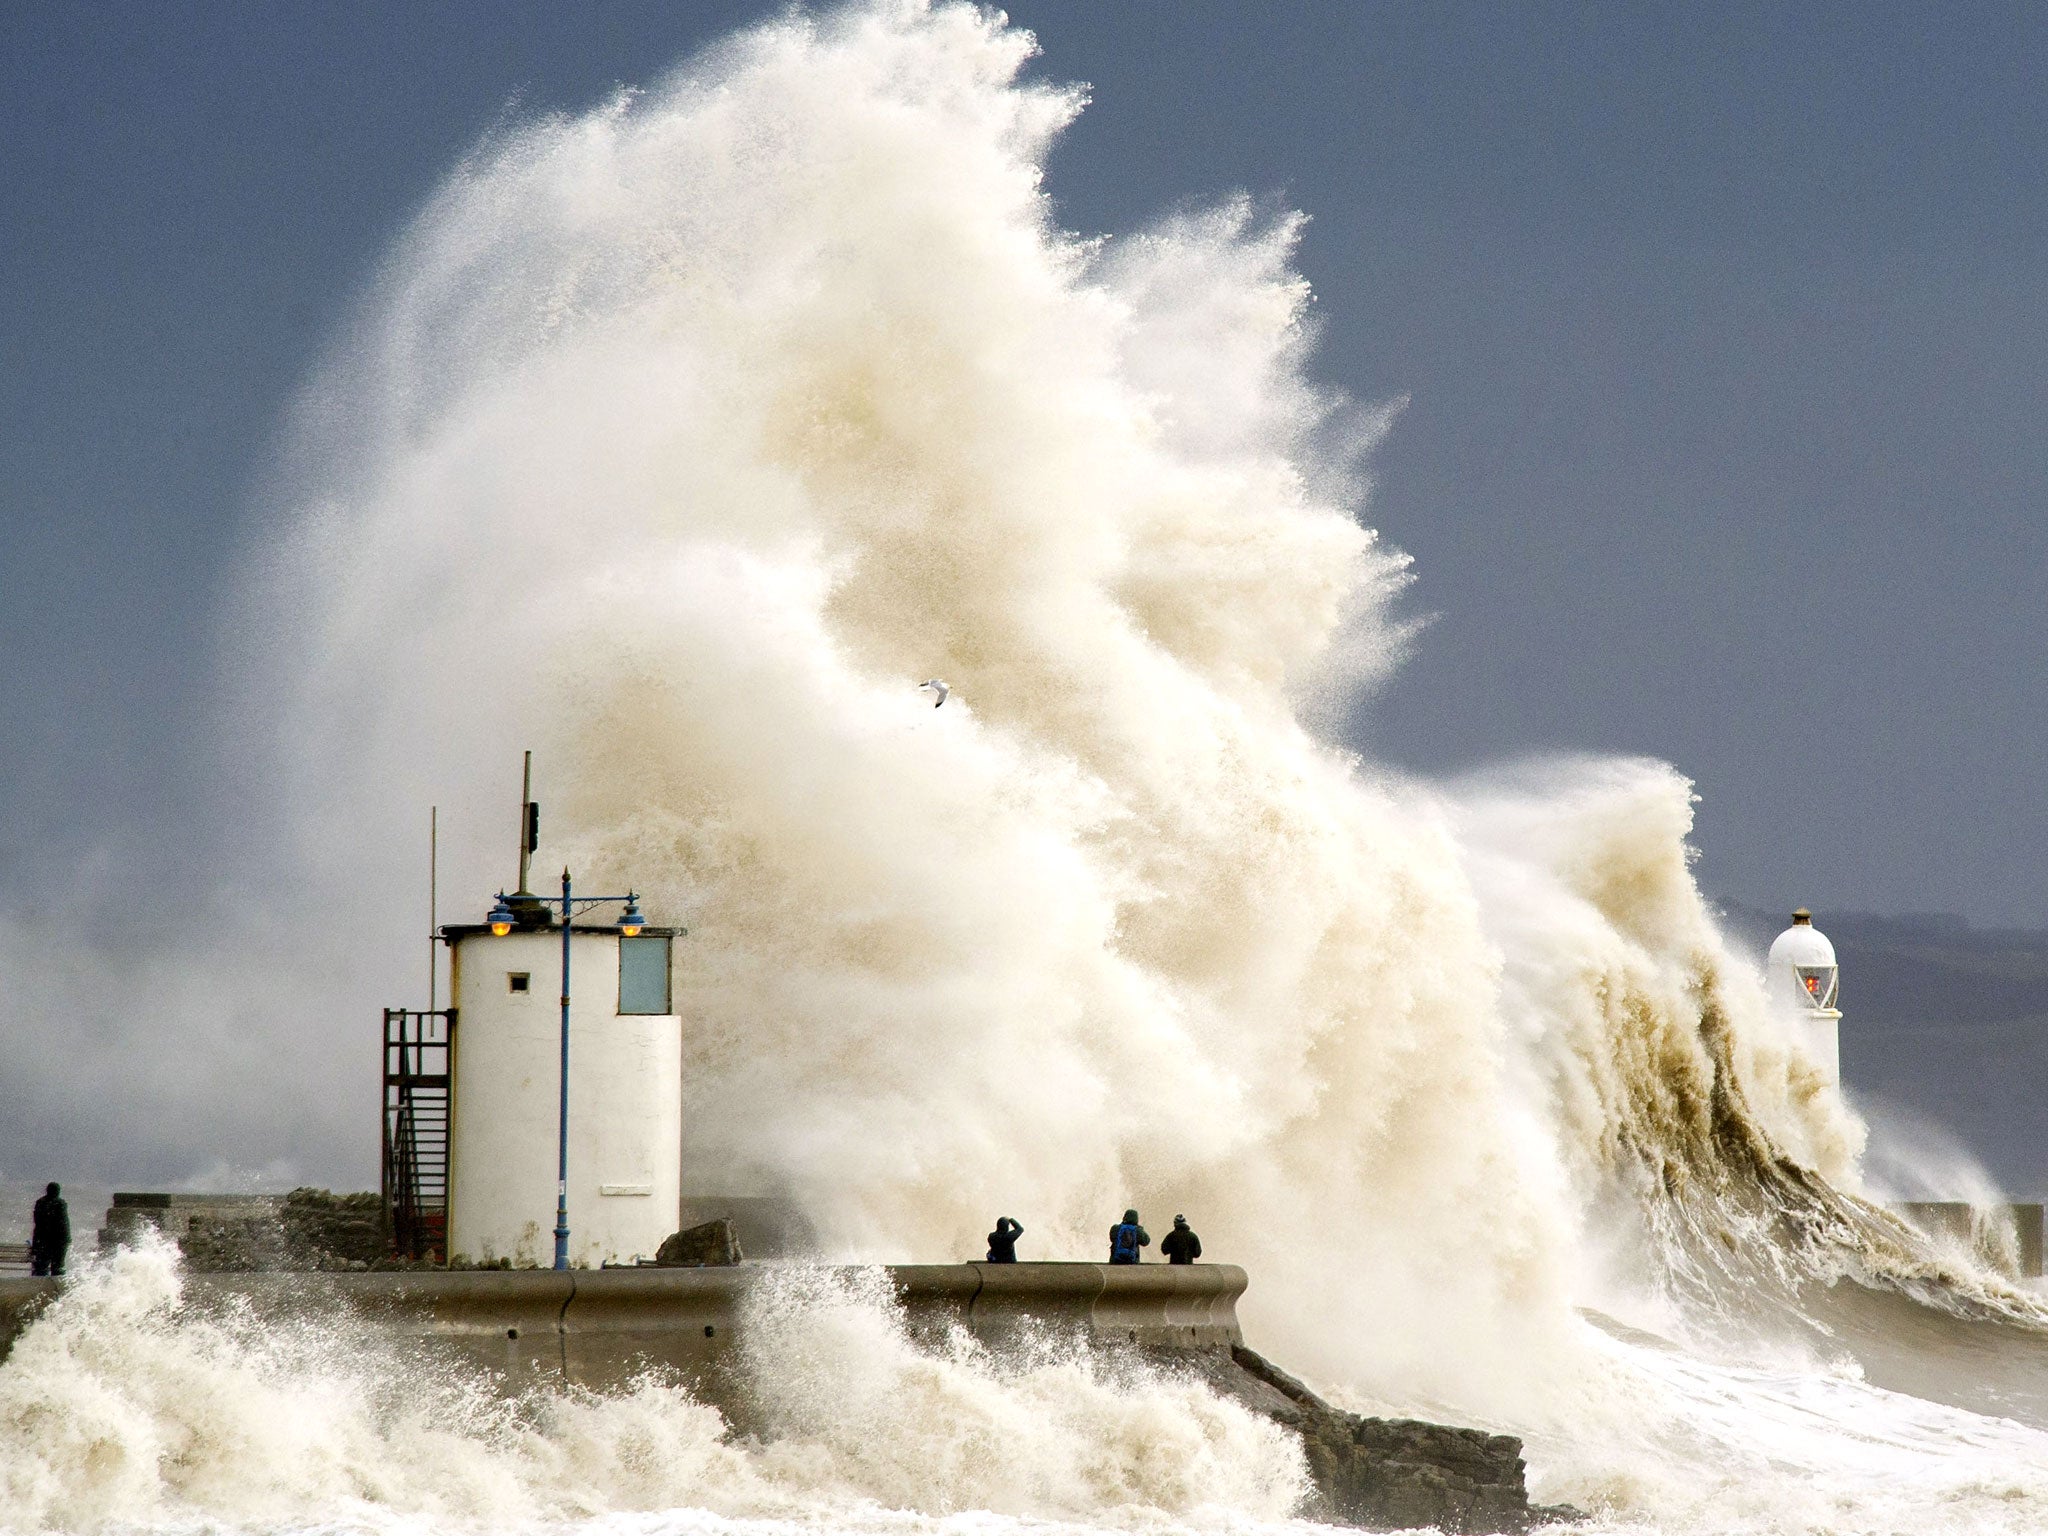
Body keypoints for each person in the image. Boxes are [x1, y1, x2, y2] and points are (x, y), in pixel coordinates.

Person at [30, 1182, 69, 1277]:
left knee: (41, 1267)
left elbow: (37, 1221)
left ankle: (38, 1286)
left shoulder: (40, 1202)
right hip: (57, 1241)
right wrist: (67, 1239)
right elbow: (64, 1223)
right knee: (58, 1267)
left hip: (42, 1239)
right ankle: (55, 1288)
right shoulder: (60, 1203)